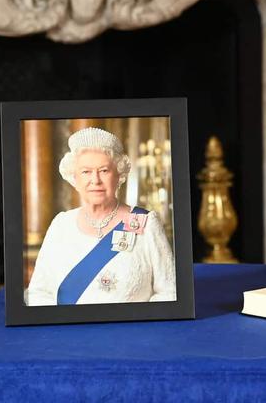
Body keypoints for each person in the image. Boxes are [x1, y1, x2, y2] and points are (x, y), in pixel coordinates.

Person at [26, 127, 177, 306]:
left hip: (131, 331)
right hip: (70, 332)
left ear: (119, 175)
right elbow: (39, 292)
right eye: (86, 172)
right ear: (75, 178)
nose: (95, 180)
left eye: (104, 170)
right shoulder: (61, 225)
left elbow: (170, 291)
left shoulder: (146, 223)